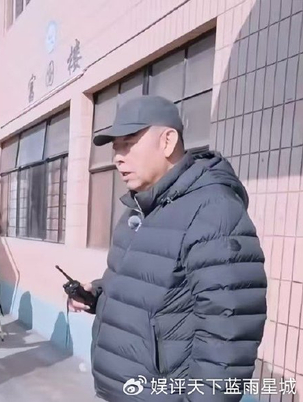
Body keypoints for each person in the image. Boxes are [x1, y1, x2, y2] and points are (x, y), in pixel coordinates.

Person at [68, 96, 267, 401]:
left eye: (128, 144)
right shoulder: (140, 206)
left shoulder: (214, 211)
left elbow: (227, 333)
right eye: (116, 148)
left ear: (167, 141)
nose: (118, 158)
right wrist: (97, 294)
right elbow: (152, 285)